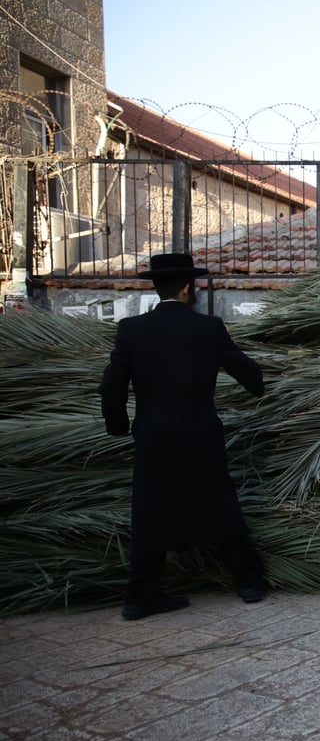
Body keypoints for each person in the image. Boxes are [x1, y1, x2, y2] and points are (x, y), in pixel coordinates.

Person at [100, 253, 270, 620]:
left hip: (153, 435)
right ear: (188, 287)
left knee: (150, 510)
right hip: (199, 431)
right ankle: (249, 582)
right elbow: (247, 372)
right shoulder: (208, 328)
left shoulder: (131, 329)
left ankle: (140, 596)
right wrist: (258, 385)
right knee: (220, 502)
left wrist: (117, 425)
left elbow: (112, 385)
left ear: (157, 287)